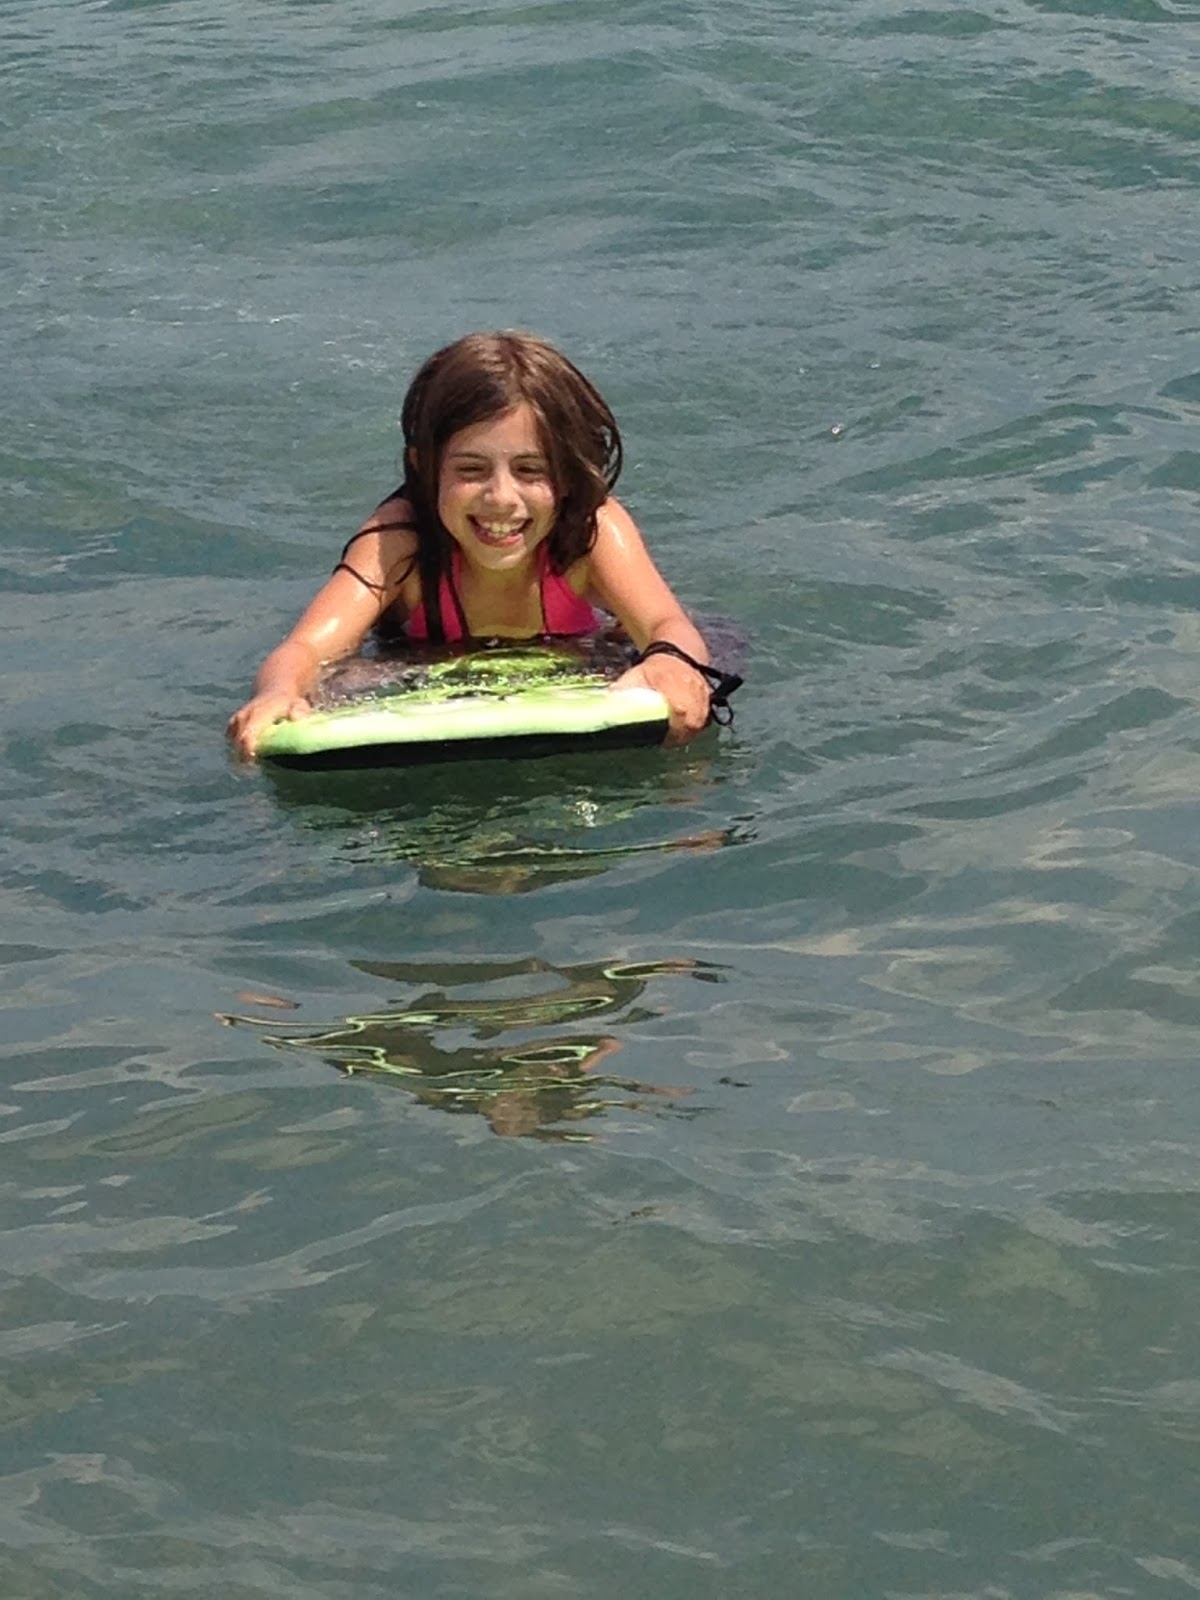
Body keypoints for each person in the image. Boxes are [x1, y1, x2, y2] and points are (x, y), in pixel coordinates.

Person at [227, 330, 739, 758]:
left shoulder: (589, 532)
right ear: (425, 468)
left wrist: (672, 662)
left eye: (530, 470)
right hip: (425, 663)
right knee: (348, 682)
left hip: (584, 654)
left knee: (695, 680)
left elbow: (666, 624)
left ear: (566, 475)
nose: (501, 499)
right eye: (471, 470)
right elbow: (307, 648)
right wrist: (279, 692)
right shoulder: (399, 543)